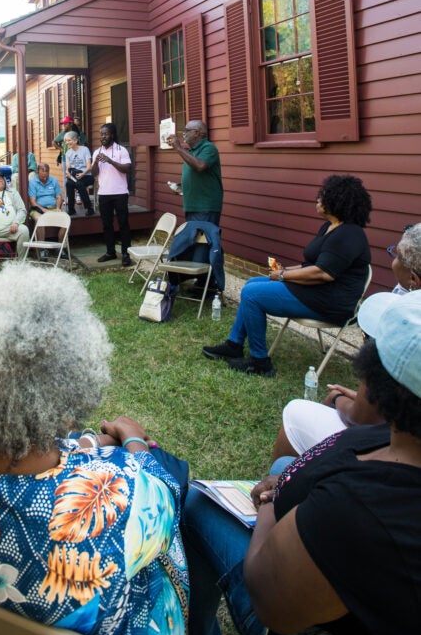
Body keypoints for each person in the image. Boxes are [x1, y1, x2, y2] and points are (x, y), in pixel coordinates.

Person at [0, 263, 189, 635]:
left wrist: (87, 444)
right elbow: (169, 495)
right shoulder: (121, 490)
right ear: (69, 395)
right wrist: (135, 442)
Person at [183, 291, 421, 635]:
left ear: (379, 380)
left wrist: (273, 502)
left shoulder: (361, 509)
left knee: (197, 502)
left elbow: (269, 600)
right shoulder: (400, 438)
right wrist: (291, 477)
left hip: (299, 633)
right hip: (336, 563)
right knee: (281, 465)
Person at [272, 222, 421, 460]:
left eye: (397, 254)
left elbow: (359, 418)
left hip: (401, 448)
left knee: (295, 413)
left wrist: (339, 399)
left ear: (413, 278)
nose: (392, 257)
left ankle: (288, 487)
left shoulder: (402, 324)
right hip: (401, 424)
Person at [203, 174, 372, 377]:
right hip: (315, 290)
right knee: (251, 283)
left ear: (338, 201)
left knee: (252, 294)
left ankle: (260, 363)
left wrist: (284, 276)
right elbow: (311, 264)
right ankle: (234, 344)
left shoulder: (349, 234)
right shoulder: (329, 227)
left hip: (329, 301)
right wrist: (286, 270)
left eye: (323, 196)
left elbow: (323, 273)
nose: (318, 199)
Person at [90, 123, 133, 267]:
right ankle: (110, 252)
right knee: (107, 225)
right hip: (104, 193)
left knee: (123, 224)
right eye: (101, 134)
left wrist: (110, 160)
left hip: (120, 193)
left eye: (106, 134)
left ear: (112, 135)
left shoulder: (122, 150)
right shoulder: (97, 152)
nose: (103, 137)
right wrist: (96, 162)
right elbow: (94, 173)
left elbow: (127, 169)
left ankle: (126, 254)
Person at [167, 121, 223, 225]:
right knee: (194, 240)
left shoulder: (209, 148)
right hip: (192, 207)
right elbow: (195, 175)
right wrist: (182, 187)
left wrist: (178, 148)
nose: (183, 134)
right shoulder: (192, 151)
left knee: (204, 240)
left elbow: (200, 166)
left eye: (186, 131)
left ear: (197, 133)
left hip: (205, 207)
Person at [28, 162, 63, 260]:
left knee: (66, 219)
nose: (45, 176)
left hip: (53, 208)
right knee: (40, 219)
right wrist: (44, 210)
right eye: (42, 173)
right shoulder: (33, 182)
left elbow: (58, 196)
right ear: (37, 172)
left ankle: (60, 247)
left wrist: (58, 208)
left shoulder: (53, 180)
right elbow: (33, 202)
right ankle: (42, 249)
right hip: (37, 209)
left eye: (47, 172)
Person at [64, 130, 95, 215]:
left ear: (76, 140)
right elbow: (68, 167)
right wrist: (68, 173)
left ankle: (89, 208)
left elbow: (89, 166)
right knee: (68, 184)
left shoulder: (85, 149)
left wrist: (83, 174)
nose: (67, 142)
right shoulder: (68, 153)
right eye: (66, 141)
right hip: (75, 176)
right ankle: (71, 209)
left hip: (86, 175)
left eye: (69, 140)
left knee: (79, 184)